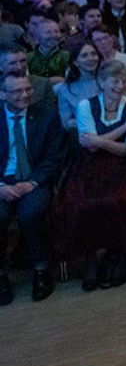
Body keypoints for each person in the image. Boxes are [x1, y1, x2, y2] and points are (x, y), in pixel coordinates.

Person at [53, 60, 126, 291]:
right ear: (101, 82)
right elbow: (89, 148)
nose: (120, 85)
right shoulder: (87, 105)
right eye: (114, 81)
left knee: (119, 200)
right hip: (88, 166)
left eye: (123, 81)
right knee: (79, 203)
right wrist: (125, 127)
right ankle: (90, 259)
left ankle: (120, 254)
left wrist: (99, 139)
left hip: (122, 166)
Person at [0, 72, 68, 304]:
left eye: (27, 89)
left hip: (34, 178)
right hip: (2, 182)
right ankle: (1, 275)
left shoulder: (47, 116)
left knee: (31, 213)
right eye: (17, 91)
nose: (25, 94)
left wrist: (31, 182)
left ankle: (41, 270)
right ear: (3, 94)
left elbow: (54, 157)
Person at [56, 41, 102, 131]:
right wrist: (89, 122)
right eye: (84, 55)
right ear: (75, 62)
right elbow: (66, 122)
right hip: (84, 136)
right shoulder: (66, 89)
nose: (91, 58)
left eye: (93, 54)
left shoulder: (108, 79)